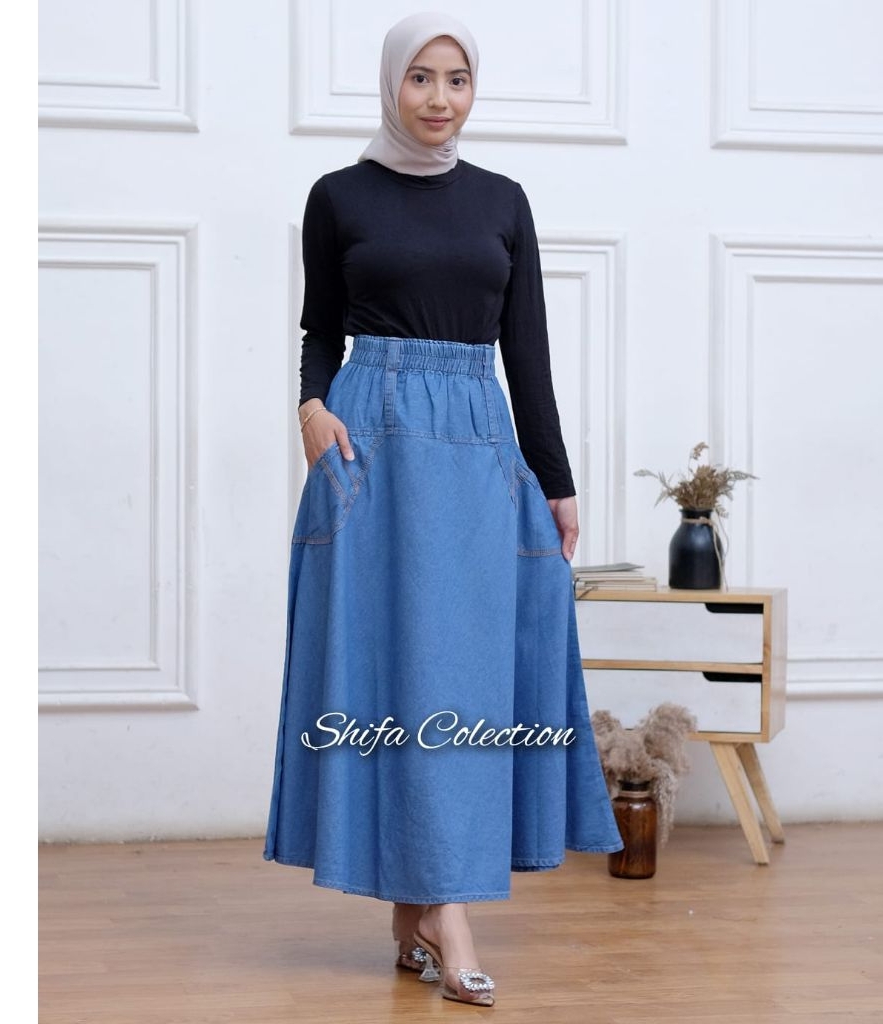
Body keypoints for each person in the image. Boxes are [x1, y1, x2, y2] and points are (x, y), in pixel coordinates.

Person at [263, 11, 623, 1008]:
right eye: (420, 77)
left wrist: (554, 481)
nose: (438, 97)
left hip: (476, 446)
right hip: (369, 444)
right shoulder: (339, 196)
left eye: (456, 79)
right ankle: (441, 913)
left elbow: (527, 349)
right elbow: (320, 329)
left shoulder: (503, 201)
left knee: (461, 680)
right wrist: (309, 407)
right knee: (392, 673)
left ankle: (420, 911)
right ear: (391, 84)